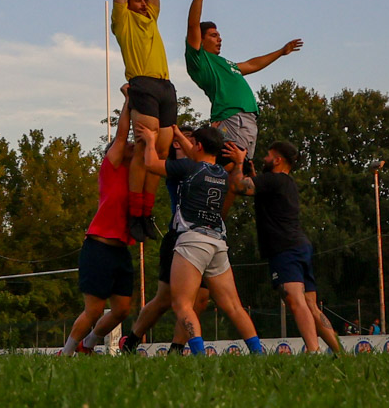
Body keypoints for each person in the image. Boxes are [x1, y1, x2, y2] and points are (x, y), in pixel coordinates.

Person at [138, 124, 264, 355]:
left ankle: (199, 353)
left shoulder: (188, 167)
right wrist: (178, 133)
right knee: (234, 306)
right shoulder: (221, 173)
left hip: (192, 242)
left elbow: (150, 164)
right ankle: (258, 352)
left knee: (183, 305)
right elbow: (202, 154)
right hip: (218, 243)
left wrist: (148, 142)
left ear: (197, 146)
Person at [226, 140, 343, 354]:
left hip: (284, 247)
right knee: (311, 305)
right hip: (300, 245)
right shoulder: (286, 182)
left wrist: (238, 162)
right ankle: (339, 351)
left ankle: (313, 351)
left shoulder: (274, 180)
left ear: (278, 160)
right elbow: (257, 185)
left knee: (294, 299)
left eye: (269, 156)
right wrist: (251, 173)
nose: (264, 159)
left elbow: (238, 187)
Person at [184, 0, 302, 164]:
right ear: (201, 40)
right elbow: (193, 24)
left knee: (241, 168)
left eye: (219, 35)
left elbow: (253, 64)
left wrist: (281, 52)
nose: (219, 38)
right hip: (232, 117)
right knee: (230, 166)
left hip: (246, 119)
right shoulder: (200, 60)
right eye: (213, 35)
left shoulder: (226, 64)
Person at [118, 125, 212, 356]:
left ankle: (176, 349)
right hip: (179, 237)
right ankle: (131, 342)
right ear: (179, 144)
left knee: (200, 298)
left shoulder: (201, 166)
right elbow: (149, 163)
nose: (196, 146)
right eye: (192, 140)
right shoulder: (179, 167)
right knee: (165, 299)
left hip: (203, 237)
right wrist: (151, 141)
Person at [112, 0, 175, 242]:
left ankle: (147, 214)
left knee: (160, 155)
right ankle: (134, 215)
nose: (143, 2)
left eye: (143, 0)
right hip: (143, 85)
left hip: (166, 87)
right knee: (143, 150)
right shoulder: (122, 21)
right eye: (137, 0)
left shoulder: (152, 16)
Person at [61, 88, 135, 356]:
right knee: (93, 309)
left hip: (120, 250)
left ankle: (88, 344)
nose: (129, 145)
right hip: (99, 248)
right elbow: (123, 134)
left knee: (122, 309)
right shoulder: (112, 166)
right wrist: (128, 101)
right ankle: (66, 353)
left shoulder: (134, 174)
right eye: (124, 145)